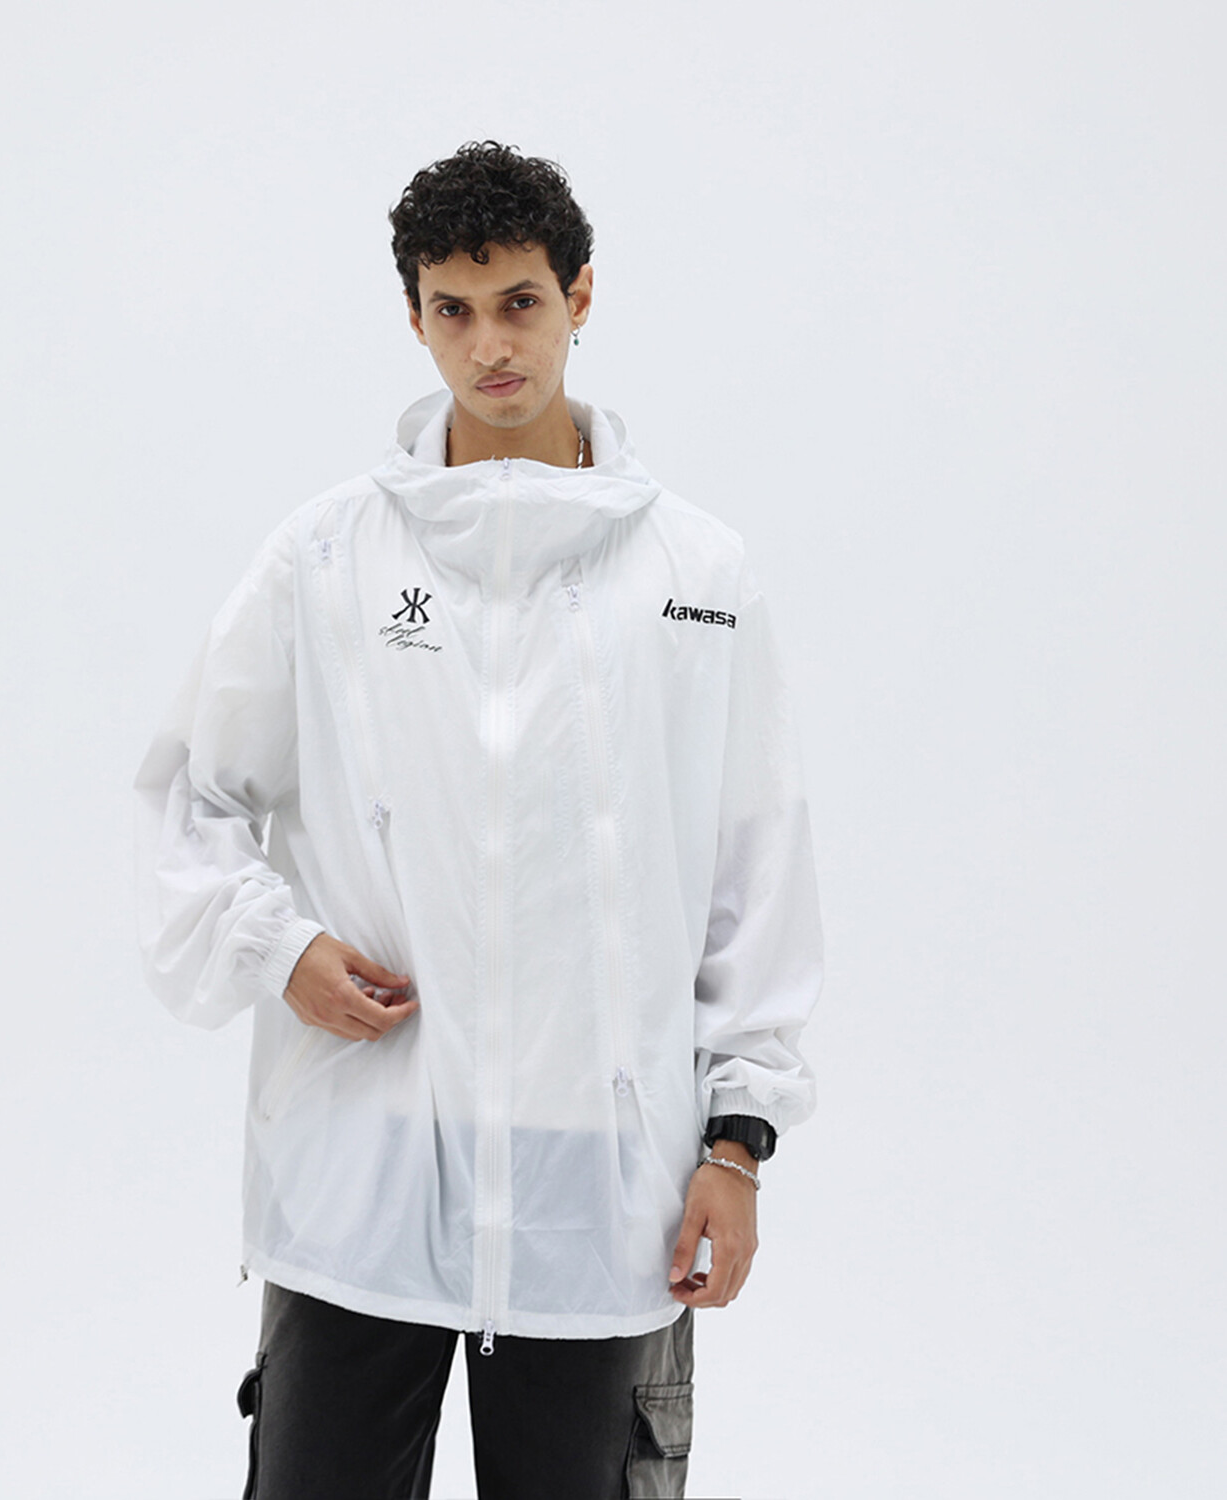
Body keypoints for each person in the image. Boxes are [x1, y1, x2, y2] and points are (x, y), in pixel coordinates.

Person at [135, 141, 822, 1500]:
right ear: (414, 317)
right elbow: (188, 795)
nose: (490, 345)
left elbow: (754, 867)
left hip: (599, 1183)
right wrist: (278, 948)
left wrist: (737, 1143)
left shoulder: (696, 573)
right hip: (365, 1164)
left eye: (519, 302)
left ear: (580, 296)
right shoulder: (327, 557)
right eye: (453, 309)